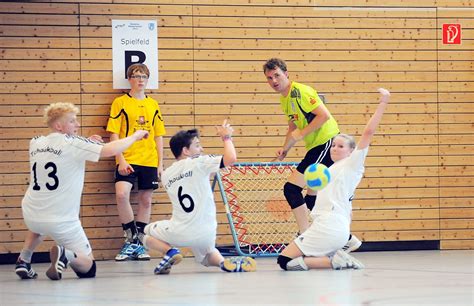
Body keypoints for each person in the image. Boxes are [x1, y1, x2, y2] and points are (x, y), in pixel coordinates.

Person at [15, 102, 149, 280]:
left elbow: (63, 150)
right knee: (88, 268)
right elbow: (110, 150)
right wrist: (136, 135)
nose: (77, 125)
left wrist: (88, 143)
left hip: (31, 213)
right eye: (72, 121)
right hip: (62, 220)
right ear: (59, 126)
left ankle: (24, 260)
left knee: (39, 226)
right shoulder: (75, 144)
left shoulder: (36, 142)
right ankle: (66, 255)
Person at [276, 88, 391, 271]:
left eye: (340, 146)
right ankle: (338, 253)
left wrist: (383, 102)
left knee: (284, 262)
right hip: (329, 227)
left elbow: (368, 132)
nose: (334, 149)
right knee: (288, 259)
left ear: (351, 151)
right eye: (334, 145)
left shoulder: (352, 165)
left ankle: (333, 260)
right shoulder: (326, 171)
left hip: (329, 228)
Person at [263, 58, 361, 252]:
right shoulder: (285, 99)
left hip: (326, 143)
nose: (274, 80)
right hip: (315, 147)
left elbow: (323, 115)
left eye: (277, 75)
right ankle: (347, 238)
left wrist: (302, 133)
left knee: (291, 189)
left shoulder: (301, 92)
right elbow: (293, 126)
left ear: (286, 74)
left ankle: (305, 236)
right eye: (269, 77)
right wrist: (286, 148)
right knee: (312, 197)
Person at [142, 120, 257, 274]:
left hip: (180, 232)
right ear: (186, 151)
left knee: (145, 232)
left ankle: (169, 252)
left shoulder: (166, 175)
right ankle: (223, 263)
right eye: (197, 145)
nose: (201, 148)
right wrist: (227, 137)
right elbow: (231, 158)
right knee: (206, 255)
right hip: (207, 232)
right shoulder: (199, 163)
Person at [106, 63, 166, 261]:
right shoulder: (120, 102)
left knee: (146, 200)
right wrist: (120, 158)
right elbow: (113, 133)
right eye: (136, 76)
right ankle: (131, 240)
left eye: (144, 76)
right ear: (129, 79)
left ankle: (138, 245)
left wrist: (160, 164)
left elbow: (159, 136)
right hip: (127, 158)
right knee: (122, 194)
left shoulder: (153, 104)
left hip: (149, 159)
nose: (140, 80)